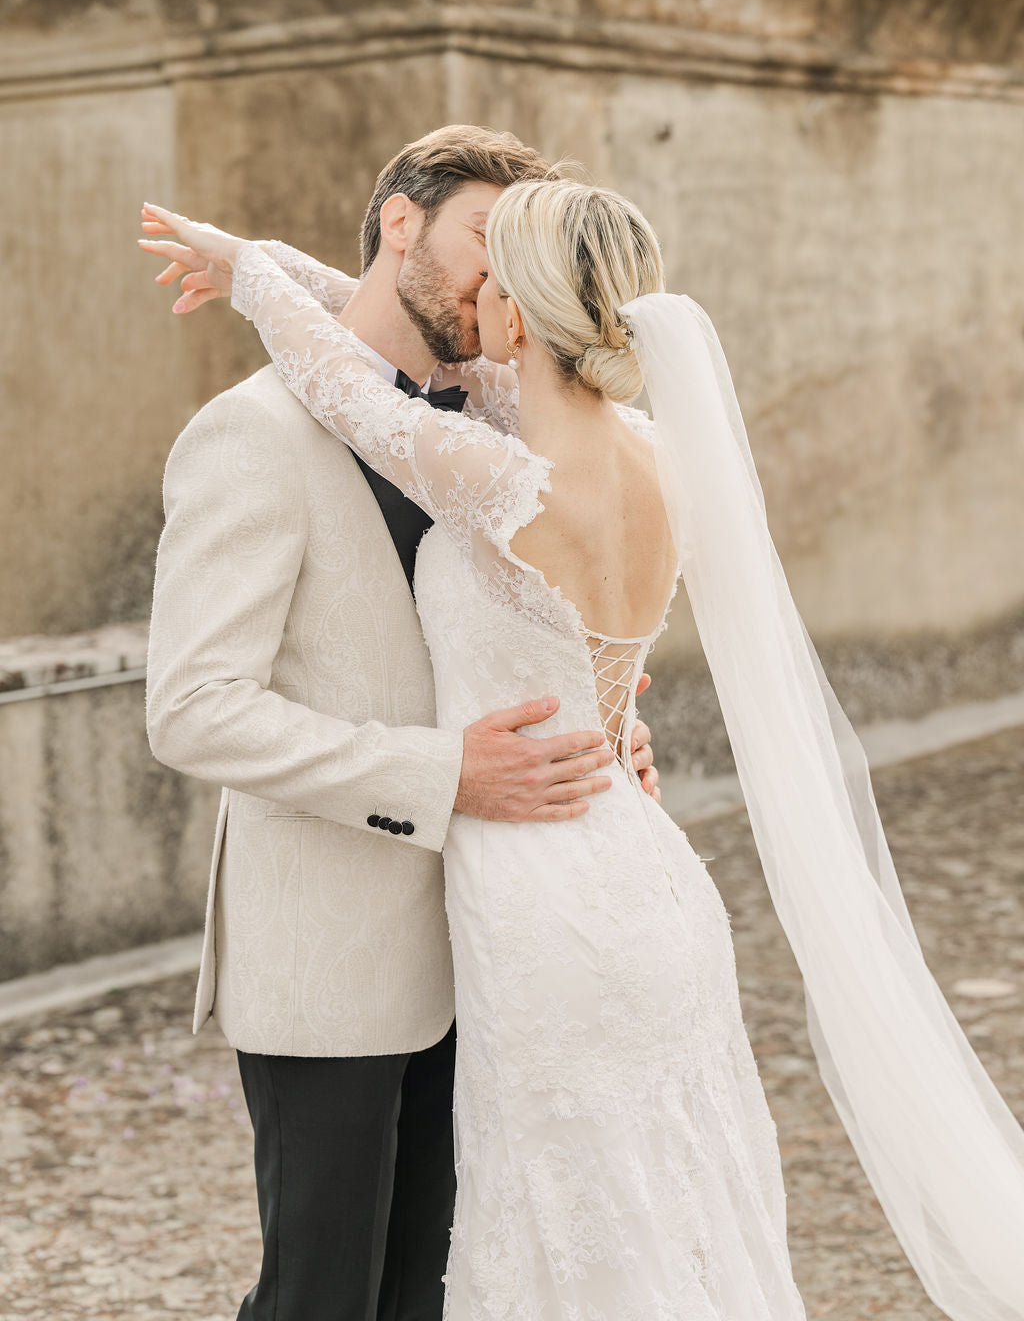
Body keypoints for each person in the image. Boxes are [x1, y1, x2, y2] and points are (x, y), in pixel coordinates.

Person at [142, 175, 1024, 1321]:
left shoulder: (491, 467)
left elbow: (347, 383)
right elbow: (199, 700)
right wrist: (592, 726)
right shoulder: (650, 452)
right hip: (631, 878)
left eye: (496, 267)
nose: (477, 287)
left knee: (554, 1244)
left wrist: (247, 266)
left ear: (518, 312)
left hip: (538, 913)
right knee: (648, 1221)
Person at [141, 128, 662, 1321]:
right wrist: (444, 775)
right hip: (332, 955)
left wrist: (602, 730)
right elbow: (193, 709)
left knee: (435, 1292)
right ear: (399, 223)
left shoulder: (499, 427)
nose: (500, 275)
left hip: (499, 941)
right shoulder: (252, 433)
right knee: (321, 1298)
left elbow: (546, 629)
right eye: (485, 236)